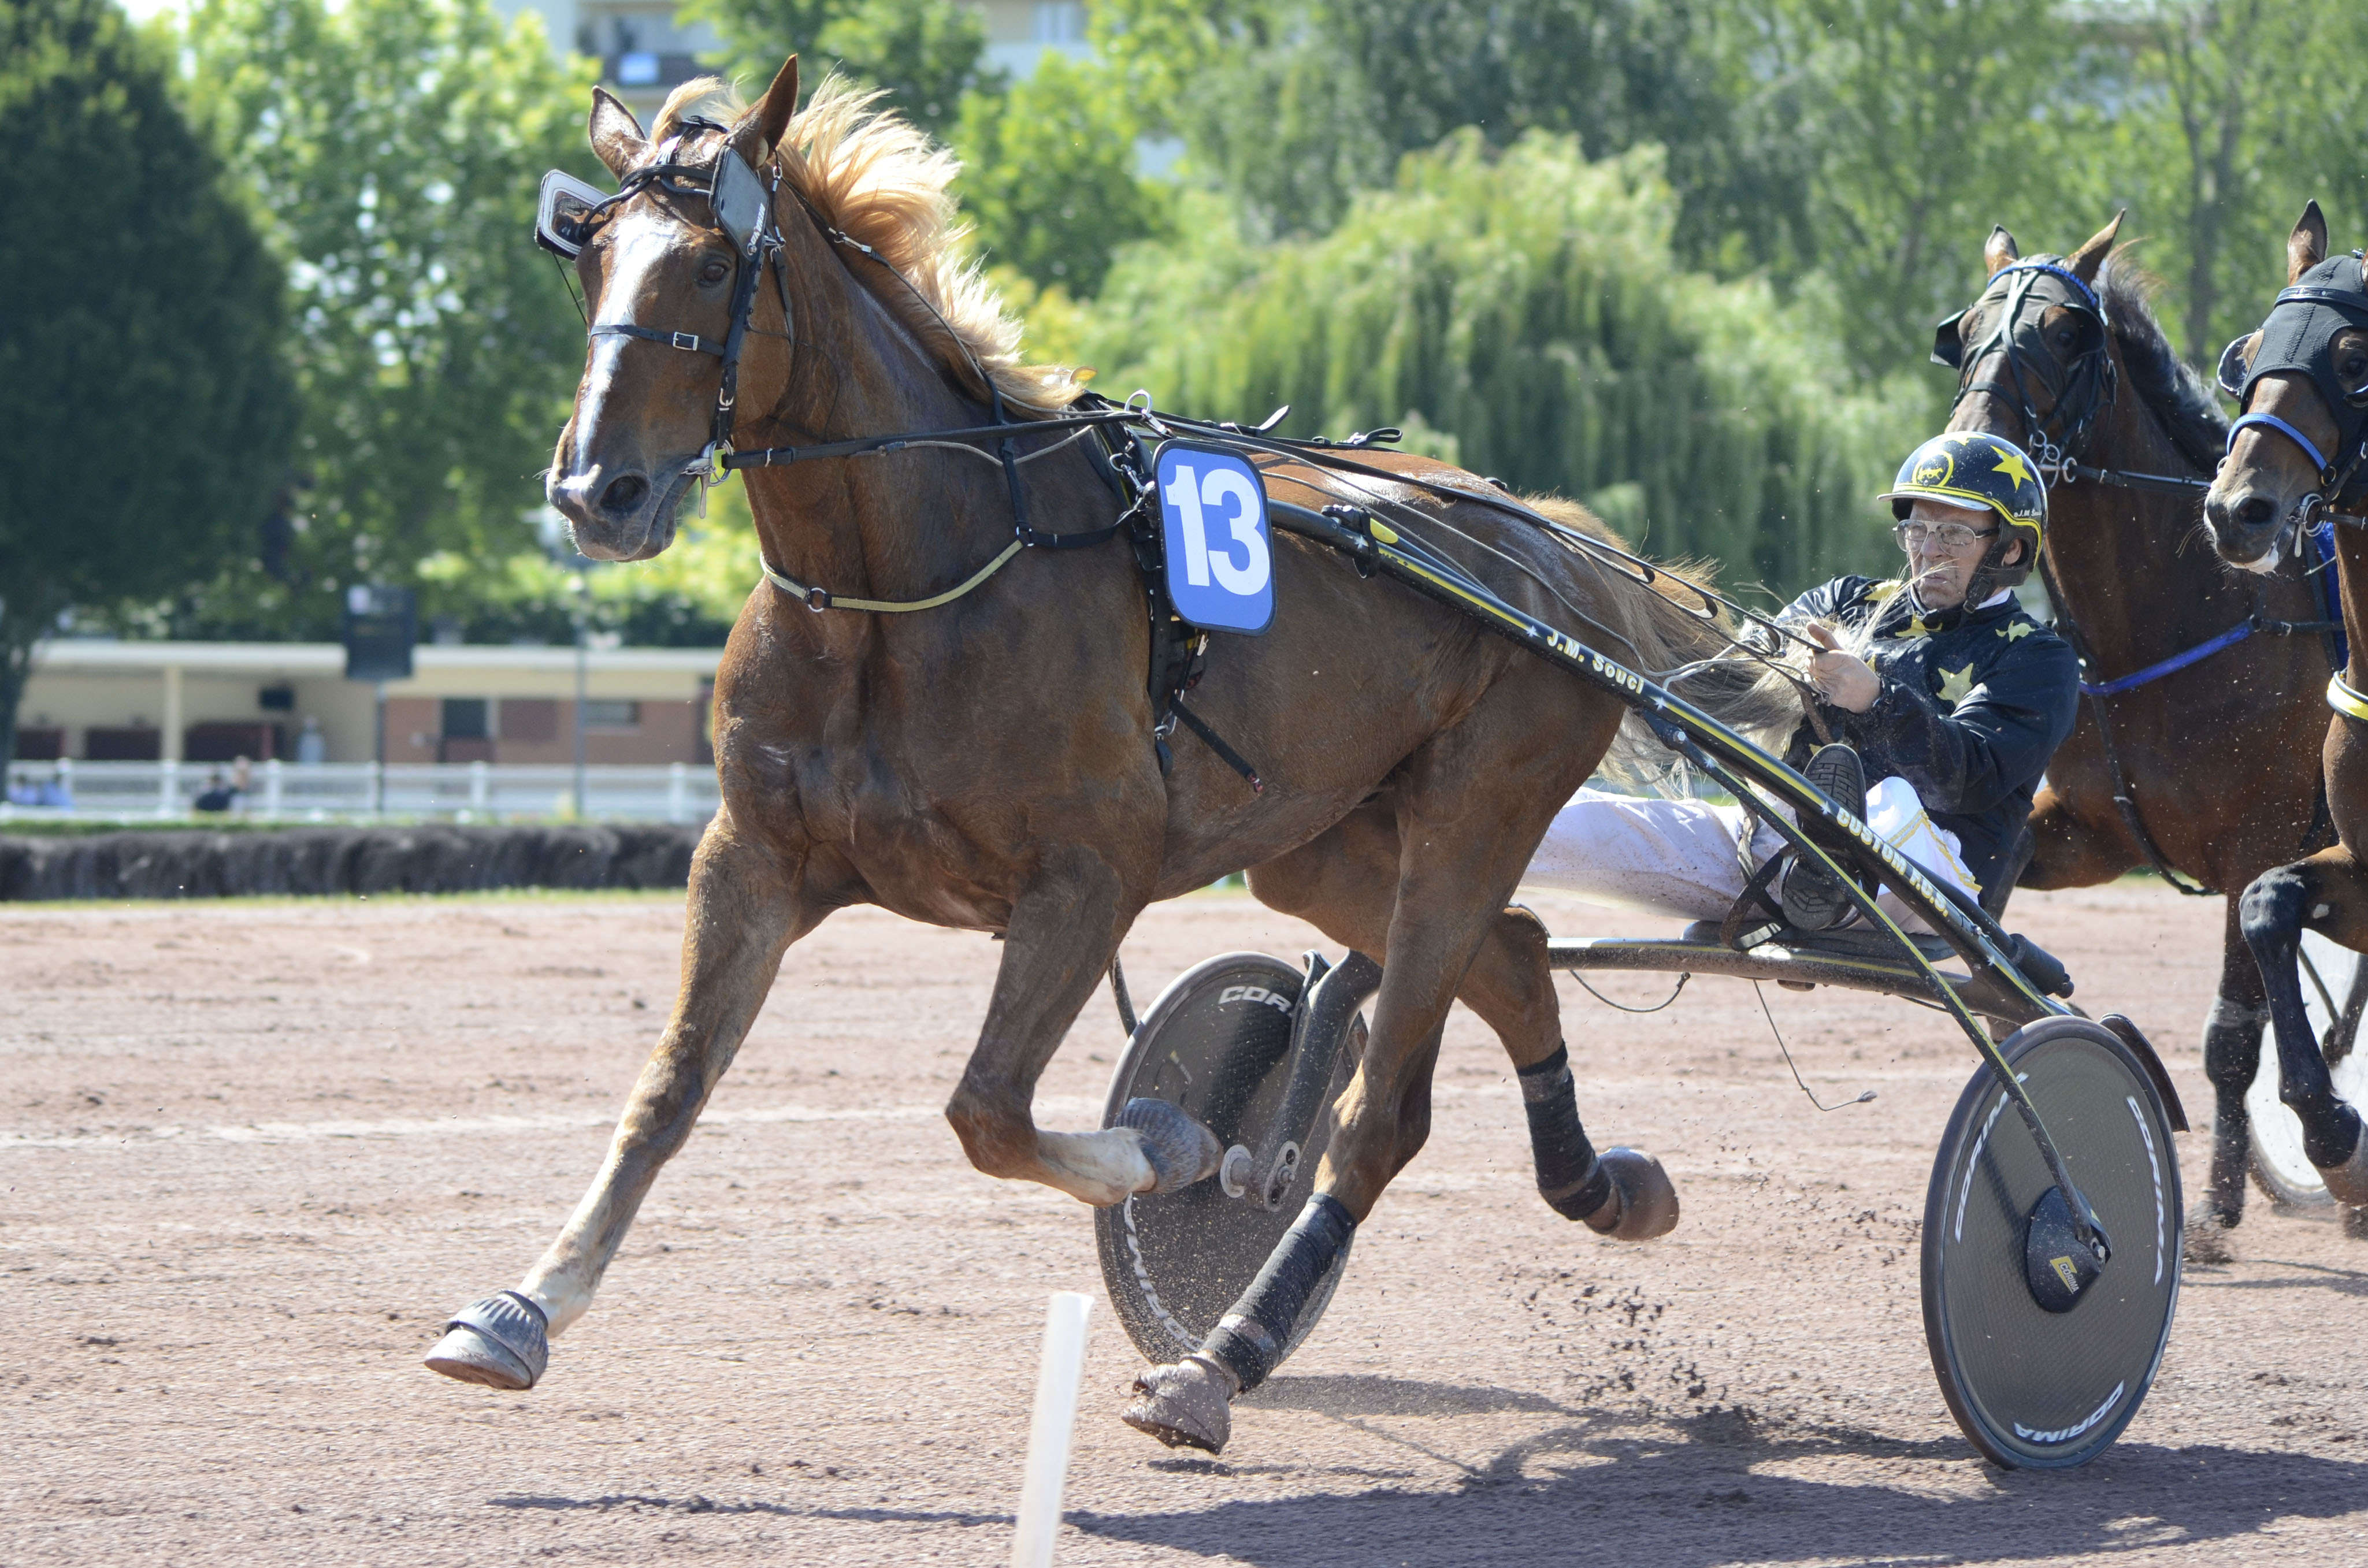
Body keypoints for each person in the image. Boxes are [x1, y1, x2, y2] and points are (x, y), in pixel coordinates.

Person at [1524, 429, 2080, 934]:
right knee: (1565, 822)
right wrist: (1618, 639)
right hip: (1776, 838)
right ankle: (1443, 834)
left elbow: (1968, 782)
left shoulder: (2038, 659)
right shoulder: (1844, 601)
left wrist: (1876, 701)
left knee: (1892, 800)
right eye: (1917, 529)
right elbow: (1740, 682)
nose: (1928, 550)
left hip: (1931, 876)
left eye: (1954, 534)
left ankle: (1829, 859)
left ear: (2009, 548)